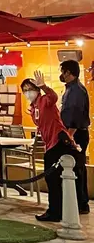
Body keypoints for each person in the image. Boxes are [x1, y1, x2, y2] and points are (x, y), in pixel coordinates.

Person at [21, 70, 82, 222]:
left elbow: (53, 97)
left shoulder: (44, 100)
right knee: (53, 179)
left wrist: (44, 87)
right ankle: (57, 210)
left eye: (30, 89)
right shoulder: (33, 108)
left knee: (53, 178)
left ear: (36, 90)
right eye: (25, 91)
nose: (28, 93)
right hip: (50, 143)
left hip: (58, 140)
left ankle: (55, 212)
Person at [59, 59, 90, 213]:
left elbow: (76, 115)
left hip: (76, 134)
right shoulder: (71, 89)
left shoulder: (76, 91)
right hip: (73, 132)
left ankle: (81, 202)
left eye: (63, 71)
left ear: (68, 73)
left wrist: (69, 135)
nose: (61, 75)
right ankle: (78, 201)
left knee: (76, 167)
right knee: (75, 167)